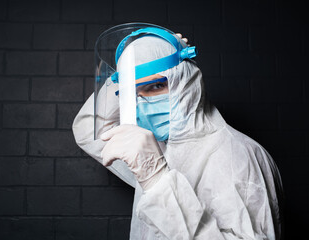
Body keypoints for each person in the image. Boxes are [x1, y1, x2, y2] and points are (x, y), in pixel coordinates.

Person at [73, 24, 283, 240]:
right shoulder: (154, 148)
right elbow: (90, 130)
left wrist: (157, 181)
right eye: (131, 92)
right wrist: (124, 72)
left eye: (155, 87)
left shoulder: (238, 155)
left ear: (186, 81)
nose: (142, 102)